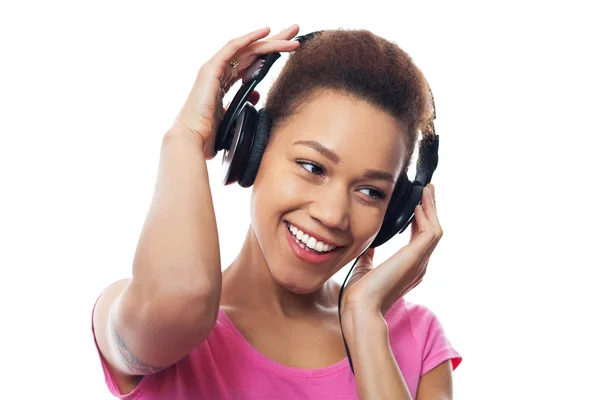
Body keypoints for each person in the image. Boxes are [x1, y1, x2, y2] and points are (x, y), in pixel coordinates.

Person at [91, 24, 462, 399]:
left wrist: (364, 318)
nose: (333, 215)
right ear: (250, 148)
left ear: (397, 211)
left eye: (370, 191)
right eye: (312, 167)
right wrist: (185, 137)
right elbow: (181, 296)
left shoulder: (416, 337)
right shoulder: (149, 315)